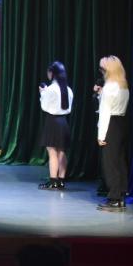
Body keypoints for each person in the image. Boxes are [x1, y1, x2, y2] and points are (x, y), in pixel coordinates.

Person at [94, 55, 130, 212]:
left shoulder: (109, 87)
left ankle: (114, 198)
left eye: (102, 69)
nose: (101, 72)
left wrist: (101, 135)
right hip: (121, 123)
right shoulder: (123, 86)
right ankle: (121, 194)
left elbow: (105, 112)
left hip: (111, 125)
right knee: (120, 161)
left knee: (110, 163)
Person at [38, 61, 73, 190]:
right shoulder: (68, 89)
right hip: (63, 121)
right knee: (62, 152)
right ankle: (61, 180)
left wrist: (42, 93)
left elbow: (44, 107)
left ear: (52, 73)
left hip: (53, 121)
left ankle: (53, 181)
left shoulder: (51, 89)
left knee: (52, 152)